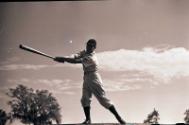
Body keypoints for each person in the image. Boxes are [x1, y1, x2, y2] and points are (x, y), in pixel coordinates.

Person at [54, 39, 126, 124]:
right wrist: (65, 58)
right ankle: (88, 120)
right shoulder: (85, 52)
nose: (88, 47)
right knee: (85, 99)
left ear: (94, 47)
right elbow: (75, 56)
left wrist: (63, 59)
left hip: (94, 78)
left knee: (103, 100)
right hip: (86, 77)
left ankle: (119, 118)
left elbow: (77, 61)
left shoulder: (91, 58)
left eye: (90, 46)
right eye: (87, 45)